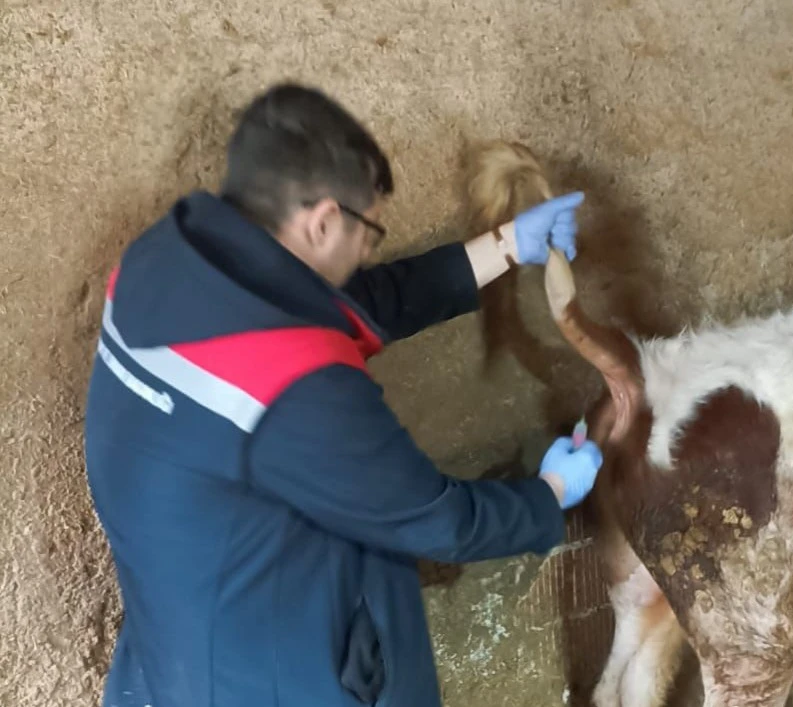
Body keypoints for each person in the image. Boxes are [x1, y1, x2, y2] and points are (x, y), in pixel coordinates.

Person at [83, 83, 604, 707]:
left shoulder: (165, 261)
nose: (367, 250)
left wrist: (504, 247)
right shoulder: (297, 390)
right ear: (323, 220)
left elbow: (338, 303)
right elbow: (436, 519)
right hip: (278, 677)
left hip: (177, 641)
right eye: (369, 231)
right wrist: (548, 496)